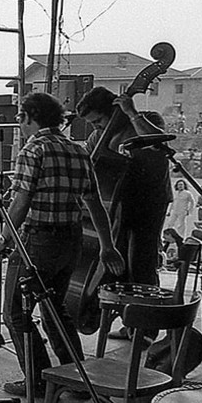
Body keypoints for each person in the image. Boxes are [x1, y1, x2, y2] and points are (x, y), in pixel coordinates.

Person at [0, 92, 125, 396]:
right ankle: (76, 378)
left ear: (28, 117)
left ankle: (36, 381)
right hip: (71, 239)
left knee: (16, 313)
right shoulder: (78, 151)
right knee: (54, 308)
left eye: (21, 117)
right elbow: (95, 204)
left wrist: (3, 238)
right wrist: (107, 245)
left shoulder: (32, 151)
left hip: (39, 240)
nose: (20, 124)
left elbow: (21, 202)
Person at [76, 86, 171, 300]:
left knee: (141, 261)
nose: (96, 126)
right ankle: (126, 317)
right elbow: (89, 172)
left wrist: (131, 113)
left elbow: (159, 143)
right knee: (119, 264)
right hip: (117, 206)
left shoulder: (148, 119)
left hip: (149, 202)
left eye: (98, 120)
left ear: (114, 111)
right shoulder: (97, 137)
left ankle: (146, 328)